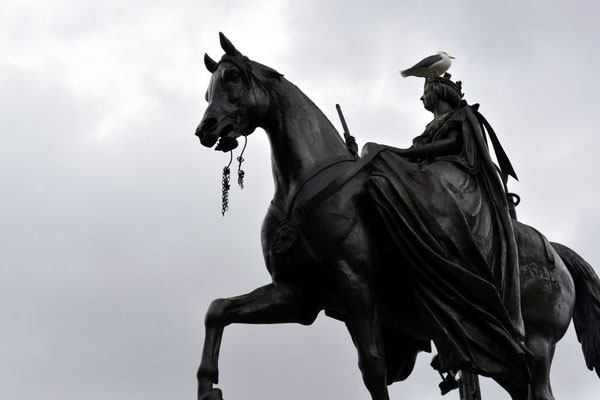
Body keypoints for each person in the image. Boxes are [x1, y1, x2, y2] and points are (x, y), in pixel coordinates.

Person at [365, 76, 530, 386]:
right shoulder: (431, 126)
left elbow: (454, 145)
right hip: (432, 173)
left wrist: (402, 153)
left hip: (457, 176)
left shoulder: (461, 116)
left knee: (393, 166)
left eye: (424, 91)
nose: (421, 98)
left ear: (438, 90)